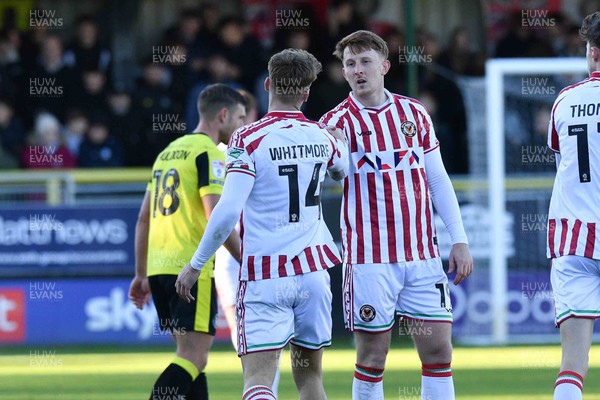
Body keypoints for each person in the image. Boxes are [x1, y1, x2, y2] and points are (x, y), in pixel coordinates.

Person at [175, 48, 348, 400]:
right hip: (314, 273)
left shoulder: (247, 139)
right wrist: (337, 144)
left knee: (258, 380)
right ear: (306, 92)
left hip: (266, 274)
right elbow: (342, 169)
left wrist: (196, 264)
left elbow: (225, 212)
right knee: (311, 380)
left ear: (268, 84)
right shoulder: (322, 136)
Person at [320, 30, 473, 400]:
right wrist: (334, 155)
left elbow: (437, 178)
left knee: (438, 351)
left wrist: (459, 238)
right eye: (350, 64)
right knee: (372, 357)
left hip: (421, 256)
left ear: (384, 66)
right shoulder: (335, 123)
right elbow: (332, 176)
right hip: (369, 258)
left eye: (366, 61)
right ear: (343, 72)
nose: (358, 70)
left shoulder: (413, 114)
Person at [128, 83, 246, 400]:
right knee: (193, 356)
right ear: (223, 115)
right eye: (240, 117)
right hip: (190, 271)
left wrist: (141, 275)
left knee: (193, 358)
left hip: (158, 269)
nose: (242, 126)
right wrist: (248, 262)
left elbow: (143, 219)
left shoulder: (167, 153)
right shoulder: (209, 154)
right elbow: (216, 218)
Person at [547, 11, 600, 400]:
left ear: (593, 54)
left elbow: (560, 151)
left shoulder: (566, 100)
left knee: (572, 366)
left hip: (573, 241)